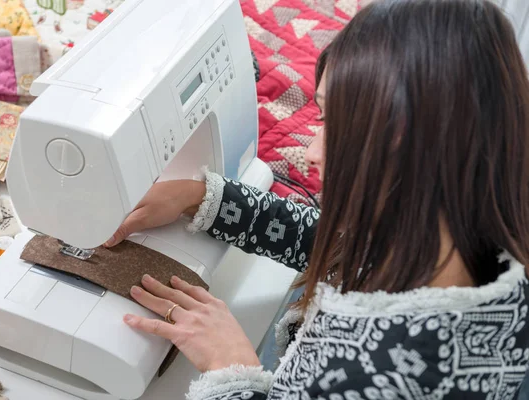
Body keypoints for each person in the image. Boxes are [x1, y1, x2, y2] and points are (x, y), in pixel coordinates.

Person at [104, 0, 529, 398]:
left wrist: (229, 367)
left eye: (335, 122)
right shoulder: (468, 235)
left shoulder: (365, 372)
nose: (312, 152)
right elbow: (343, 245)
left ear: (414, 146)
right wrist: (202, 197)